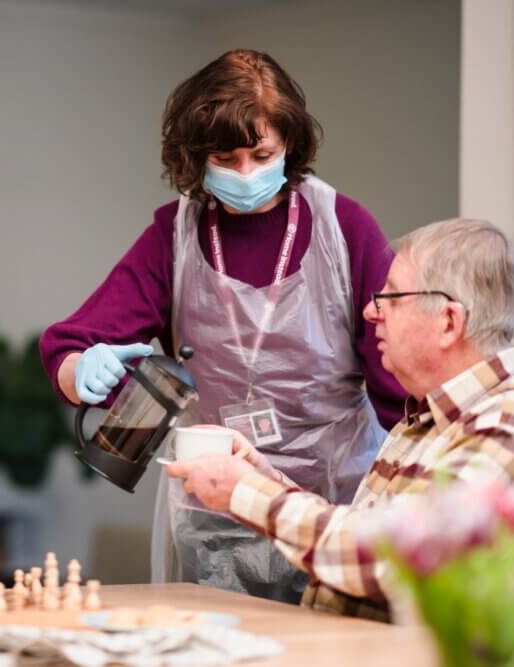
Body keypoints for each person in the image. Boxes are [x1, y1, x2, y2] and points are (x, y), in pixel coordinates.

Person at [39, 49, 406, 602]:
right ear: (195, 158)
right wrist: (77, 371)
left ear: (291, 147)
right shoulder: (173, 236)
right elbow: (73, 343)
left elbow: (399, 377)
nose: (245, 174)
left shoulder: (343, 229)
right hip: (214, 509)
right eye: (225, 158)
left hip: (333, 506)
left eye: (263, 155)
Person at [166, 219, 514, 620]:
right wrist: (263, 476)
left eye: (392, 298)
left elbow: (394, 559)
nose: (370, 311)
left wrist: (245, 492)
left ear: (449, 322)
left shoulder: (511, 421)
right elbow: (368, 530)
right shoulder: (427, 419)